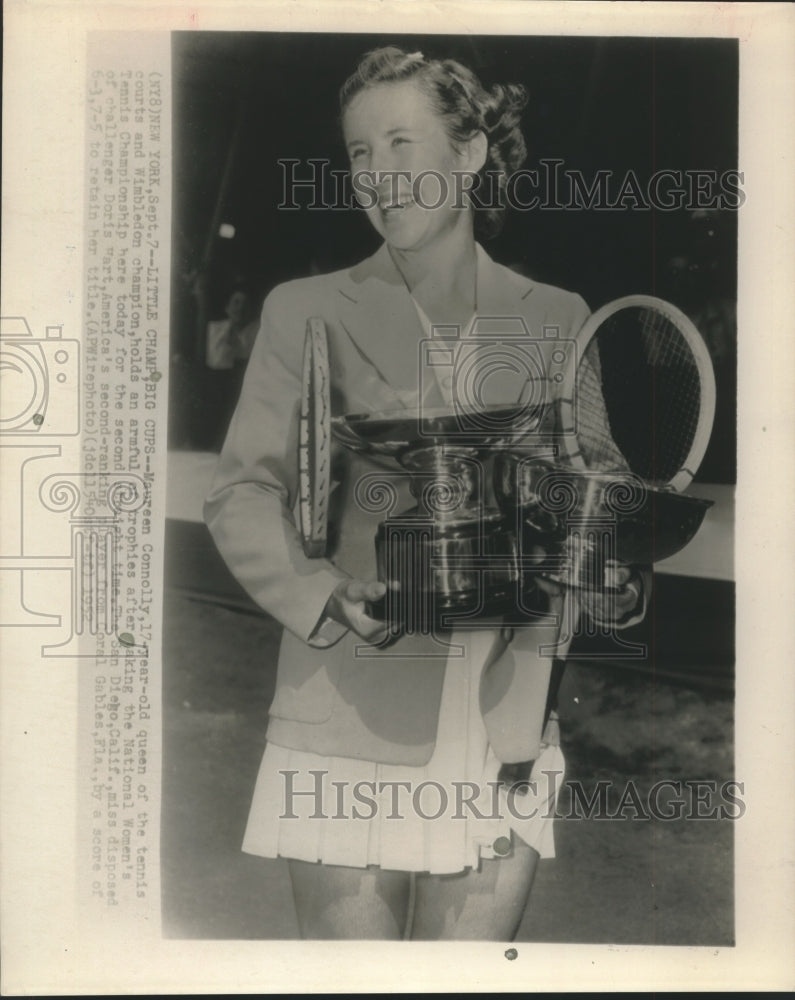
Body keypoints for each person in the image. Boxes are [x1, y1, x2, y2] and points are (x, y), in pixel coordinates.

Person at [204, 46, 647, 941]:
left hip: (505, 725)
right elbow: (242, 492)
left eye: (402, 143)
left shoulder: (558, 316)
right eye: (361, 154)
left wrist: (615, 580)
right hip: (345, 714)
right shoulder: (306, 307)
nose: (378, 174)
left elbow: (595, 509)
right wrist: (325, 593)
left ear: (470, 154)